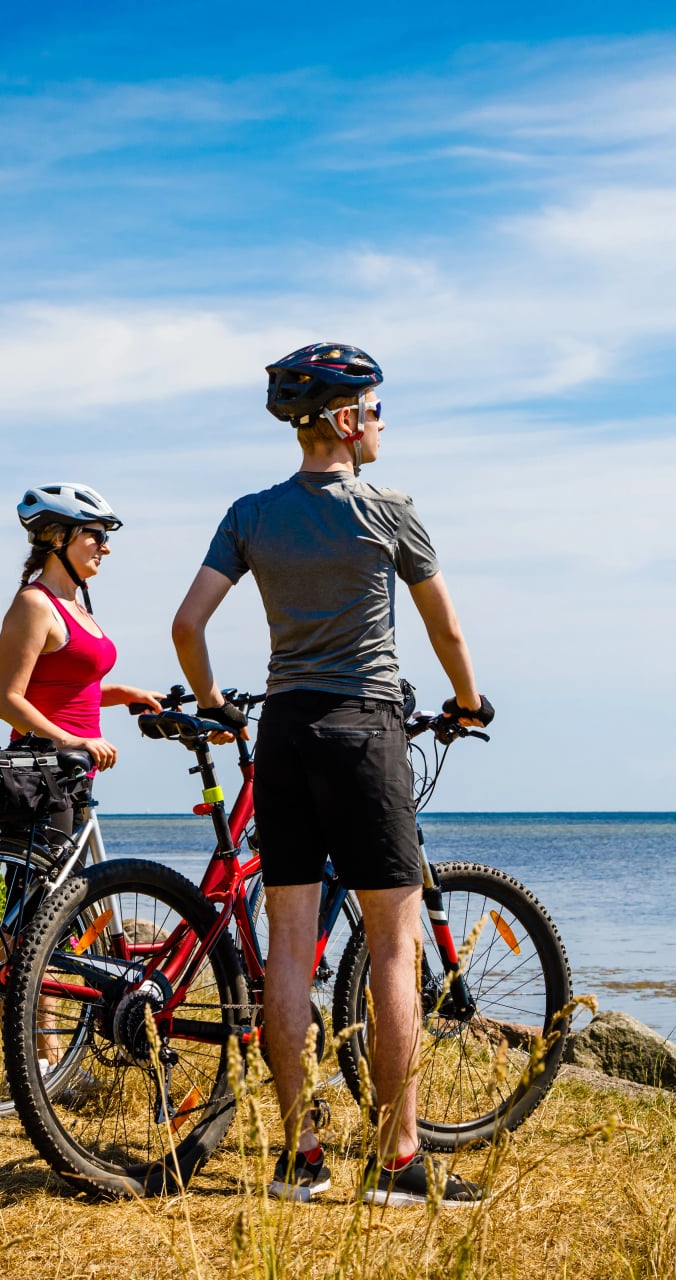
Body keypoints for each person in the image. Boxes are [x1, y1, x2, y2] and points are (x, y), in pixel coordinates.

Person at [171, 343, 496, 1207]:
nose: (384, 424)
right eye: (378, 410)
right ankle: (397, 1161)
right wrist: (469, 702)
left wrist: (213, 701)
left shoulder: (250, 515)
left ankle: (299, 1157)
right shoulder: (390, 511)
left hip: (284, 733)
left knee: (288, 946)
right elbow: (447, 633)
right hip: (362, 731)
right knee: (393, 944)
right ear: (347, 419)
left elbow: (187, 624)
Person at [0, 483, 165, 814]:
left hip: (74, 769)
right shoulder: (35, 604)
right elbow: (6, 701)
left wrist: (126, 694)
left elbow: (65, 689)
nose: (106, 548)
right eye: (98, 536)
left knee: (74, 852)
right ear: (60, 538)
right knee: (53, 852)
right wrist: (69, 740)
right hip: (42, 771)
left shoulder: (74, 606)